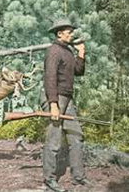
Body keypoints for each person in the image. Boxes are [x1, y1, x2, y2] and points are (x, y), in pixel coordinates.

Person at [41, 19, 89, 192]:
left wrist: (81, 53)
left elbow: (78, 71)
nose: (72, 34)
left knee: (76, 136)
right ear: (59, 34)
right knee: (54, 140)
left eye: (71, 31)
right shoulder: (53, 51)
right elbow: (50, 79)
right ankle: (49, 180)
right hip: (54, 97)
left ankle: (78, 177)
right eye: (69, 32)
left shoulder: (67, 51)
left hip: (67, 99)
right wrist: (53, 104)